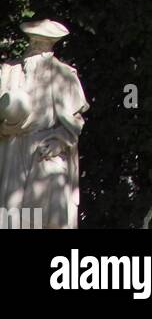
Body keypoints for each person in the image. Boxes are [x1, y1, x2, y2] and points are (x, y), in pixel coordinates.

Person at [0, 19, 88, 228]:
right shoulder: (9, 71)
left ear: (50, 48)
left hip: (45, 151)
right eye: (33, 44)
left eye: (41, 45)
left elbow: (74, 123)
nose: (34, 50)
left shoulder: (63, 75)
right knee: (11, 217)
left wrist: (60, 141)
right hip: (13, 148)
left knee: (44, 217)